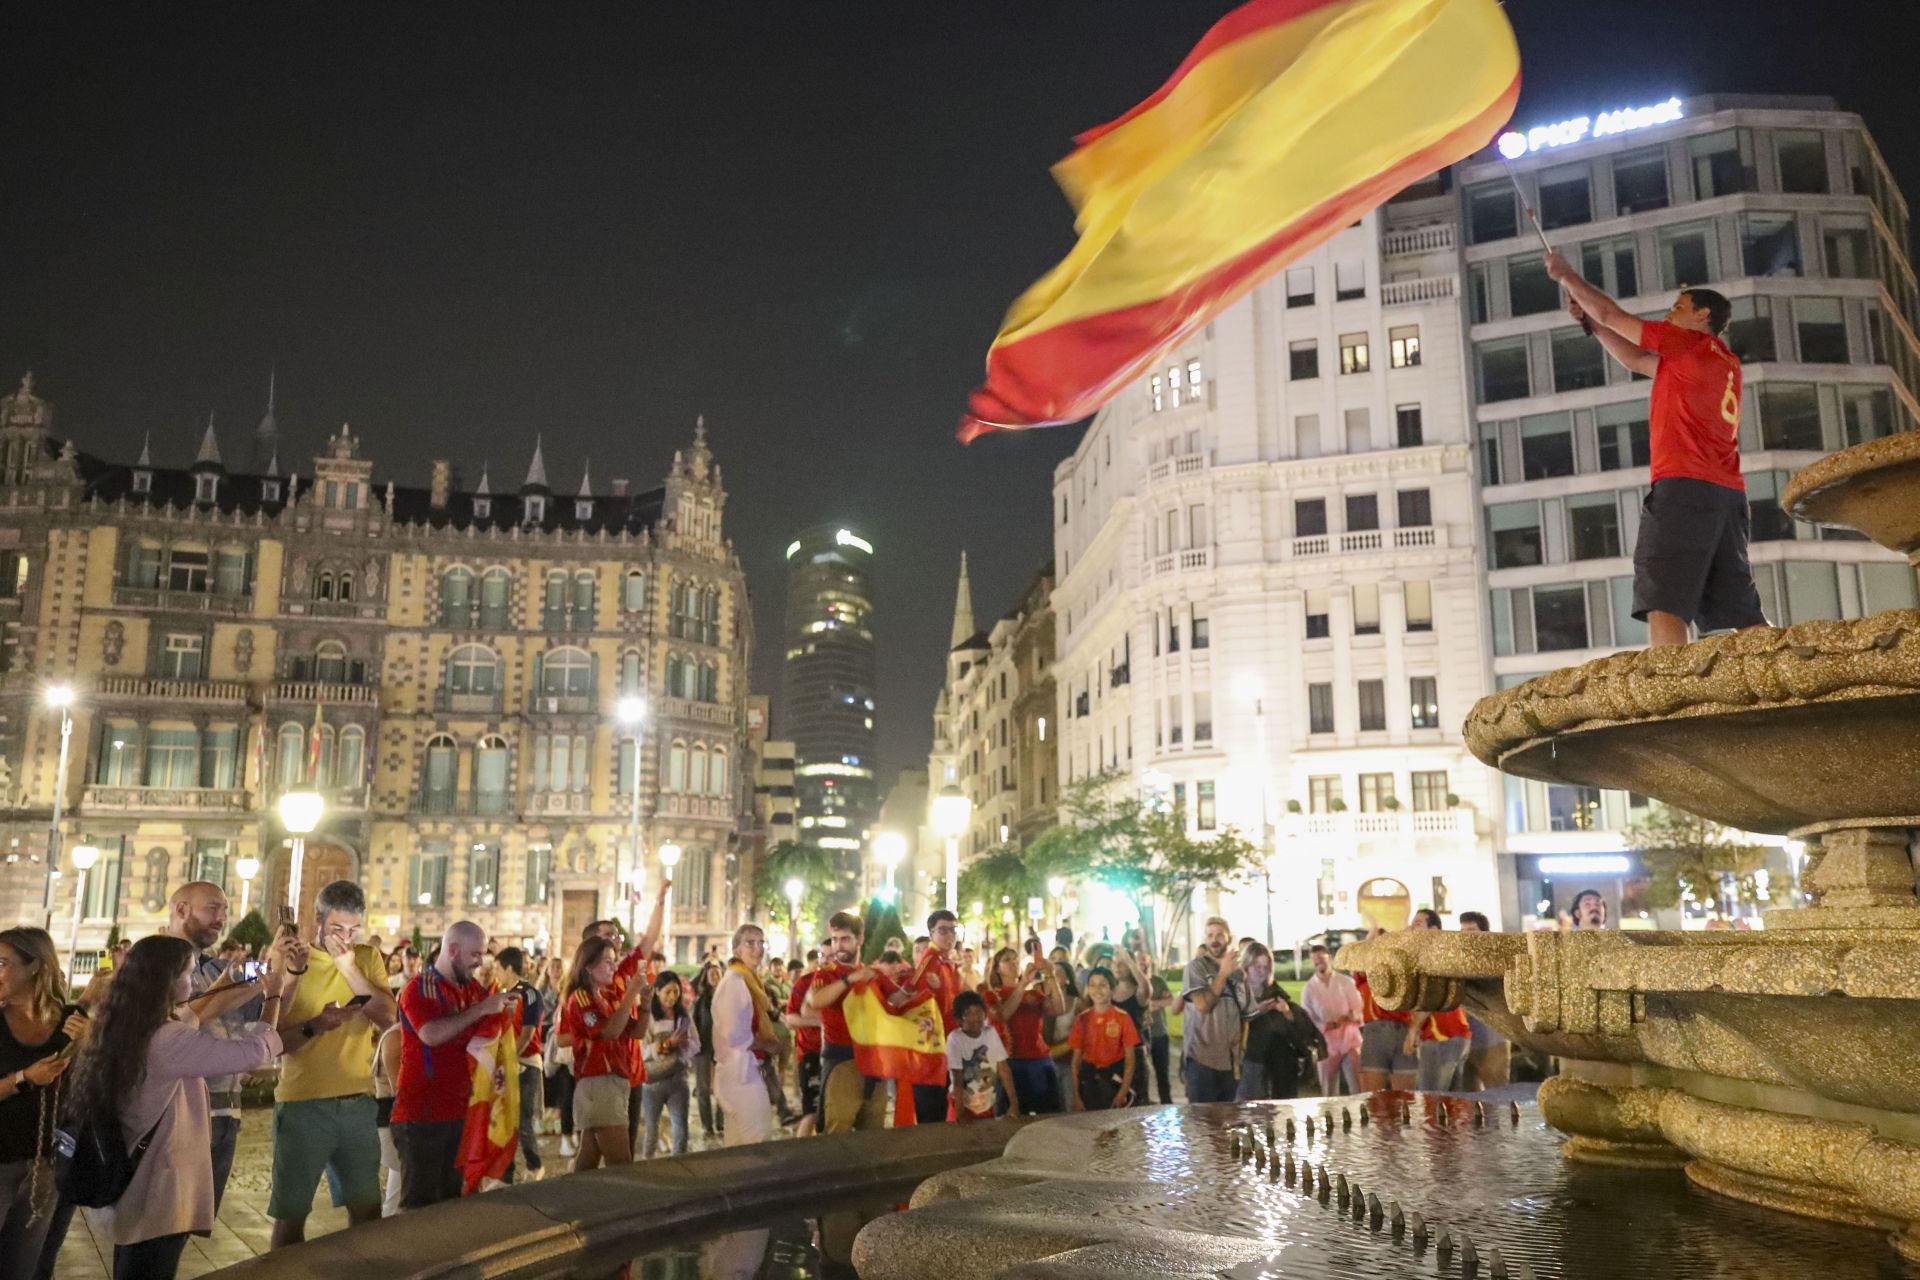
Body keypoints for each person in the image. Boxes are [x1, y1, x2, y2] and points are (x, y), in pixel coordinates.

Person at [1546, 249, 1762, 648]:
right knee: (1740, 607)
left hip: (1685, 488)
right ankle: (1787, 678)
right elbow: (1632, 357)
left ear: (1703, 316)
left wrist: (1567, 277)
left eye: (1679, 307)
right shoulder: (1720, 361)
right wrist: (1590, 322)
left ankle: (1671, 698)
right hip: (1727, 495)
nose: (1668, 315)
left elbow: (1614, 316)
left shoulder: (1689, 344)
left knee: (1662, 593)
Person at [69, 934, 285, 1279]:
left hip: (131, 1180)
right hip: (158, 1187)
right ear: (167, 981)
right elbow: (251, 1052)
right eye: (187, 973)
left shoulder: (126, 1023)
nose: (192, 979)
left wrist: (236, 984)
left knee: (132, 1264)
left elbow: (192, 1013)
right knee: (151, 1268)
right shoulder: (167, 1039)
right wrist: (274, 995)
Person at [269, 879, 396, 1250]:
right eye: (337, 928)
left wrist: (349, 968)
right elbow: (272, 1039)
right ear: (318, 921)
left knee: (367, 1215)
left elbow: (389, 1016)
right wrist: (317, 1025)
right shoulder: (292, 958)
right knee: (291, 1220)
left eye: (353, 929)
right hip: (302, 1103)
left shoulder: (365, 958)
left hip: (357, 1100)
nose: (345, 936)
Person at [392, 921, 513, 1209]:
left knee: (455, 1201)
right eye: (474, 954)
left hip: (461, 1110)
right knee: (419, 1205)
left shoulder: (472, 989)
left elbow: (485, 1031)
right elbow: (431, 1035)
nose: (479, 962)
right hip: (422, 1113)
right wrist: (482, 1010)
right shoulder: (420, 988)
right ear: (453, 949)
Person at [163, 880, 267, 1214]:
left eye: (224, 909)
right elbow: (186, 1019)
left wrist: (278, 980)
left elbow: (245, 1029)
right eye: (213, 908)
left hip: (224, 1114)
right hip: (178, 1116)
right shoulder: (153, 962)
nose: (222, 917)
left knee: (193, 1225)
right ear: (181, 909)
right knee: (165, 1224)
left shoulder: (209, 968)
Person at [0, 928, 85, 1277]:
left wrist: (88, 1045)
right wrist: (24, 1079)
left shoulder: (72, 1020)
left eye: (2, 963)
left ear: (34, 966)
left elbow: (86, 1089)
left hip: (43, 1166)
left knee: (23, 1266)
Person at [559, 935, 650, 1171]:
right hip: (599, 1082)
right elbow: (609, 1032)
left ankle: (576, 1205)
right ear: (588, 965)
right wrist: (631, 992)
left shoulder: (608, 996)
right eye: (607, 961)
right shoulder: (581, 998)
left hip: (614, 1080)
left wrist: (646, 1005)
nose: (614, 966)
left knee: (588, 1159)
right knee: (620, 1162)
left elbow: (634, 1032)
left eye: (615, 960)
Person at [804, 912, 875, 1131]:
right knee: (837, 1131)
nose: (838, 946)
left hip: (874, 1063)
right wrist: (848, 979)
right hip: (841, 1063)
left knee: (874, 1133)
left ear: (860, 939)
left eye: (844, 939)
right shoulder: (825, 974)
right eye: (835, 939)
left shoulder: (870, 973)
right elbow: (816, 1000)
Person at [712, 925, 779, 1146]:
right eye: (750, 943)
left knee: (738, 1144)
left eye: (761, 943)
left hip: (740, 1071)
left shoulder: (748, 981)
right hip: (741, 1074)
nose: (757, 948)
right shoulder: (735, 983)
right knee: (757, 1141)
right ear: (736, 950)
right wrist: (767, 1044)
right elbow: (733, 1035)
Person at [895, 910, 962, 1124]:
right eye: (943, 930)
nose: (949, 935)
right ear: (931, 933)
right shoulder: (930, 960)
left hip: (947, 1048)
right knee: (932, 1115)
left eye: (952, 929)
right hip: (931, 1054)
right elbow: (912, 996)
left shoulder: (946, 962)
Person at [983, 944, 1064, 1115]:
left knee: (1048, 1116)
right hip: (1011, 1063)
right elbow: (1003, 1014)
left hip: (1040, 1060)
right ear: (997, 969)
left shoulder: (1033, 995)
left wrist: (1051, 975)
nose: (1013, 963)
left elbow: (1058, 1009)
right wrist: (1023, 984)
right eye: (1007, 960)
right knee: (1015, 1118)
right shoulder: (992, 996)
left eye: (1015, 959)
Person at [1236, 942, 1322, 1100]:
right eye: (1257, 967)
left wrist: (1287, 1012)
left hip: (1280, 1065)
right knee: (1249, 1110)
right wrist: (1257, 1011)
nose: (1262, 972)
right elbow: (1232, 1024)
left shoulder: (1277, 993)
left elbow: (1298, 1027)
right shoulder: (1237, 993)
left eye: (1266, 967)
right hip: (1251, 1062)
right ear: (1246, 966)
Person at [1400, 911, 1471, 1091]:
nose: (1411, 928)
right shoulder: (1436, 954)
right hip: (1452, 1035)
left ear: (1434, 929)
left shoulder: (1434, 955)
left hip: (1442, 1035)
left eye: (1418, 924)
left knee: (1431, 1101)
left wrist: (1413, 1029)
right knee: (1452, 1104)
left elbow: (1433, 995)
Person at [491, 947, 543, 1181]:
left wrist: (511, 1059)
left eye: (497, 968)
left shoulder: (529, 994)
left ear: (509, 968)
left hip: (525, 1064)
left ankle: (535, 1166)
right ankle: (506, 1174)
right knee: (505, 1121)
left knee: (522, 1120)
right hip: (509, 1063)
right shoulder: (505, 994)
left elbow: (528, 1033)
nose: (495, 973)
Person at [1179, 918, 1244, 1103]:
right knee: (1202, 1123)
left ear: (1229, 938)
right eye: (1210, 935)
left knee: (1228, 1124)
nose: (1214, 940)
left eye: (1219, 935)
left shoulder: (1238, 974)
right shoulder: (1195, 967)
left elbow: (1244, 1015)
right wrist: (1223, 973)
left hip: (1230, 1062)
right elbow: (1202, 1005)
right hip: (1202, 1060)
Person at [640, 971, 699, 1157]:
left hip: (678, 1079)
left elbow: (696, 1044)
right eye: (667, 992)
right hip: (652, 1082)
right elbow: (641, 1051)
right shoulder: (648, 1017)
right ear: (657, 991)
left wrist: (684, 1045)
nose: (672, 997)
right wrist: (665, 1045)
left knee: (680, 1129)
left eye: (676, 992)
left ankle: (678, 1167)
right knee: (651, 1130)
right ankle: (646, 1167)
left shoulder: (683, 1016)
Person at [1069, 968, 1139, 1111]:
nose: (1097, 989)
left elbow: (1130, 1061)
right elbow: (1075, 1062)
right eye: (1092, 985)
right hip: (1088, 1084)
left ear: (1112, 989)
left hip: (1113, 1083)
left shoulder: (1122, 1018)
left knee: (1113, 1129)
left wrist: (1122, 1093)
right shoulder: (1082, 1019)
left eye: (1103, 985)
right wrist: (1076, 1096)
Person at [1455, 913, 1510, 1091]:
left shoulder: (1496, 961)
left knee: (1496, 1097)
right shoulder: (1457, 962)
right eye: (1462, 931)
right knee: (1469, 1103)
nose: (1466, 936)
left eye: (1472, 931)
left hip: (1492, 1041)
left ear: (1486, 934)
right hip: (1465, 1040)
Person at [1300, 943, 1364, 1096]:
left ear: (1330, 958)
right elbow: (1307, 1019)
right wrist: (1326, 1025)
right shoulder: (1309, 989)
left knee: (1357, 1085)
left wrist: (1349, 1017)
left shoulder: (1346, 982)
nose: (1319, 963)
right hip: (1326, 1043)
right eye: (1315, 961)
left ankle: (1359, 1115)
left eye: (1322, 959)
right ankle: (1331, 1117)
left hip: (1350, 1040)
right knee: (1328, 1089)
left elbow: (1359, 1009)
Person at [946, 991, 1016, 1121]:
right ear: (959, 1019)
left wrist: (1014, 1104)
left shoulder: (990, 1034)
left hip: (986, 1105)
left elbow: (1004, 1070)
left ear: (985, 1013)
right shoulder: (954, 1039)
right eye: (968, 1014)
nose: (975, 1017)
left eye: (978, 1012)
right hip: (961, 1104)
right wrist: (960, 1113)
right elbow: (957, 1077)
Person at [371, 1020, 404, 1216]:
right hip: (392, 1124)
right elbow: (401, 1092)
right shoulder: (396, 1038)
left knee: (398, 1191)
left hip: (399, 1123)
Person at [691, 961, 721, 1139]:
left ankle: (721, 1123)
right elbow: (694, 1023)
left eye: (718, 973)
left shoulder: (727, 997)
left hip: (722, 1047)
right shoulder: (700, 999)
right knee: (702, 1088)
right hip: (703, 1047)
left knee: (722, 1087)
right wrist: (706, 965)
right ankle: (707, 1125)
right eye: (712, 974)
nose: (715, 977)